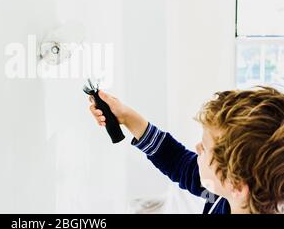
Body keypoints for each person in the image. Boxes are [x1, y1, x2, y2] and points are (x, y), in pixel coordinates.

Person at [88, 86, 284, 214]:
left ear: (236, 184)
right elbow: (178, 162)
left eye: (205, 148)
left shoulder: (220, 193)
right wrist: (126, 117)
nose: (197, 148)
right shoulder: (221, 193)